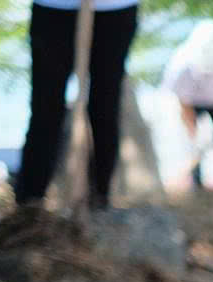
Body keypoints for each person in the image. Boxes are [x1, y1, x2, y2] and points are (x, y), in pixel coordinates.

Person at [14, 0, 138, 210]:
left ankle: (99, 198)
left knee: (105, 108)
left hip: (114, 9)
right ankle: (30, 203)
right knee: (45, 109)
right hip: (54, 8)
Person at [163, 20, 213, 190]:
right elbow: (184, 105)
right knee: (192, 145)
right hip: (192, 104)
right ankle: (196, 186)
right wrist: (194, 134)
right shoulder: (180, 65)